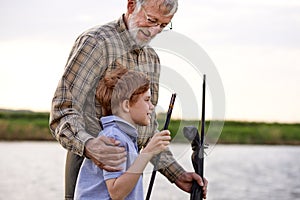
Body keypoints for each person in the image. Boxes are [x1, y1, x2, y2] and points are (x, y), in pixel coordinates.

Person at [49, 0, 208, 199]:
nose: (155, 30)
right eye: (151, 20)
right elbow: (62, 110)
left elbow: (147, 130)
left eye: (163, 26)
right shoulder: (96, 42)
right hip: (88, 171)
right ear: (131, 6)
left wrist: (177, 175)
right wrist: (90, 146)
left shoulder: (152, 59)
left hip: (130, 175)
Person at [74, 67, 171, 199]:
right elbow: (116, 192)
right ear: (126, 105)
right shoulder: (114, 137)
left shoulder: (125, 137)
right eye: (147, 100)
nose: (152, 106)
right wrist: (148, 152)